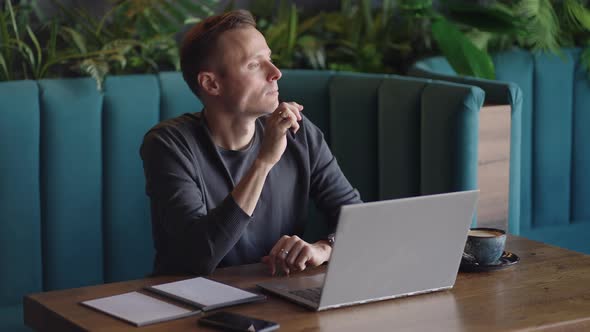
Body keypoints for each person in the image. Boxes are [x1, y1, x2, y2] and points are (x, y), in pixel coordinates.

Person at [140, 10, 361, 277]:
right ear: (211, 83)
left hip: (277, 298)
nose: (275, 73)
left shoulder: (298, 132)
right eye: (254, 64)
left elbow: (358, 221)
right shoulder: (169, 145)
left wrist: (323, 249)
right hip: (190, 307)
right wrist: (263, 162)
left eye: (269, 59)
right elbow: (197, 258)